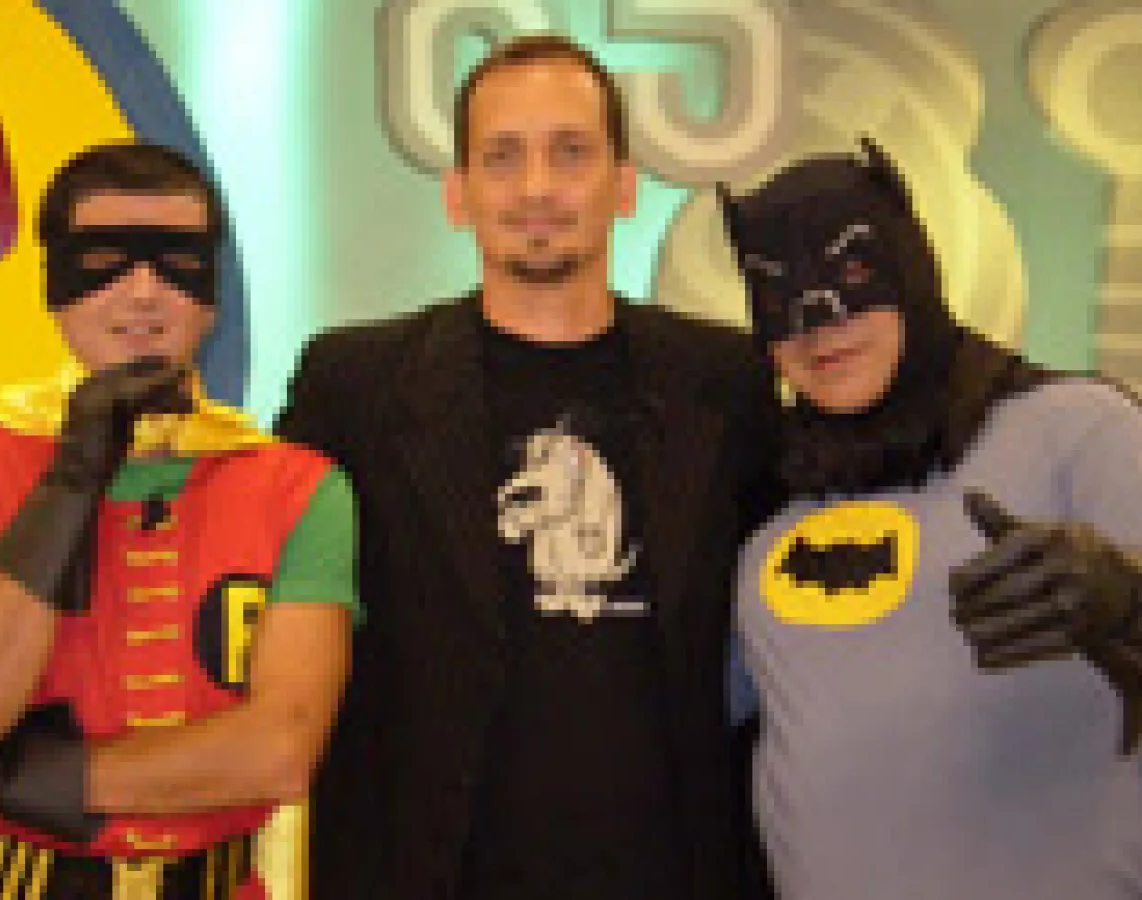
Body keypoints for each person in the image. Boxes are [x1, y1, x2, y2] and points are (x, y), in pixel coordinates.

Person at [277, 34, 780, 900]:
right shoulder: (354, 387)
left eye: (570, 152)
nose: (537, 187)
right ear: (458, 193)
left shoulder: (728, 382)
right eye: (502, 157)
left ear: (625, 185)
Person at [720, 139, 1142, 899]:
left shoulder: (1071, 429)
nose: (818, 323)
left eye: (851, 274)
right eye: (777, 293)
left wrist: (1135, 600)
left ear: (911, 269)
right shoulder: (767, 507)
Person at [0, 142, 358, 899]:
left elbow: (279, 754)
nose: (143, 293)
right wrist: (71, 482)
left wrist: (24, 781)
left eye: (177, 263)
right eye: (103, 261)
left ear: (212, 294)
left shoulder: (296, 487)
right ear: (55, 283)